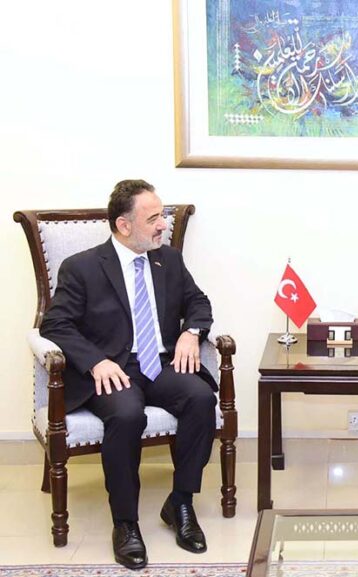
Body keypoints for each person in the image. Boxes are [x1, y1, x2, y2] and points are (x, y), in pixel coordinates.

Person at [40, 180, 218, 570]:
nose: (163, 225)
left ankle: (180, 503)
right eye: (153, 219)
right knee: (126, 415)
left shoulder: (168, 260)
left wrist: (191, 332)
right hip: (113, 369)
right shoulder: (83, 267)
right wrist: (95, 361)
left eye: (162, 216)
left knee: (201, 398)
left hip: (160, 364)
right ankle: (125, 523)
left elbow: (198, 302)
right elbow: (55, 324)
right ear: (124, 225)